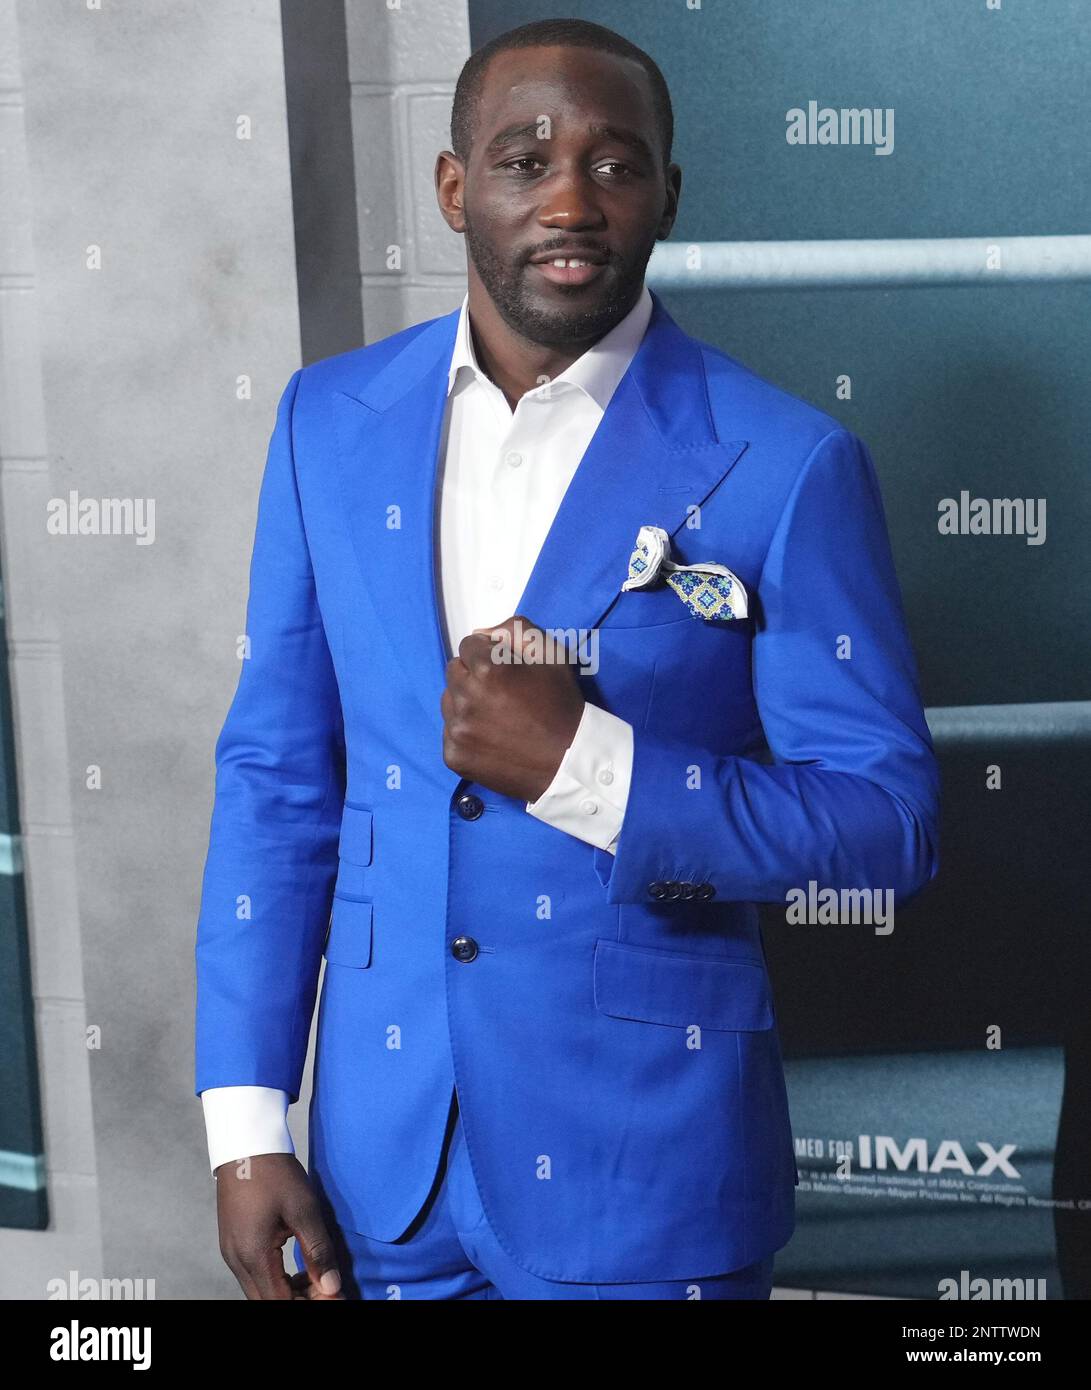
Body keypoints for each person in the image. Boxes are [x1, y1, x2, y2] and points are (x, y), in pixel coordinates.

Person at [194, 17, 939, 1301]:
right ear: (452, 187)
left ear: (667, 195)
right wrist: (249, 1119)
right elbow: (276, 782)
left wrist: (586, 766)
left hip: (644, 1174)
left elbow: (885, 822)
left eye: (616, 164)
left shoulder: (785, 461)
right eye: (523, 158)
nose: (570, 201)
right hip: (381, 1173)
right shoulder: (327, 420)